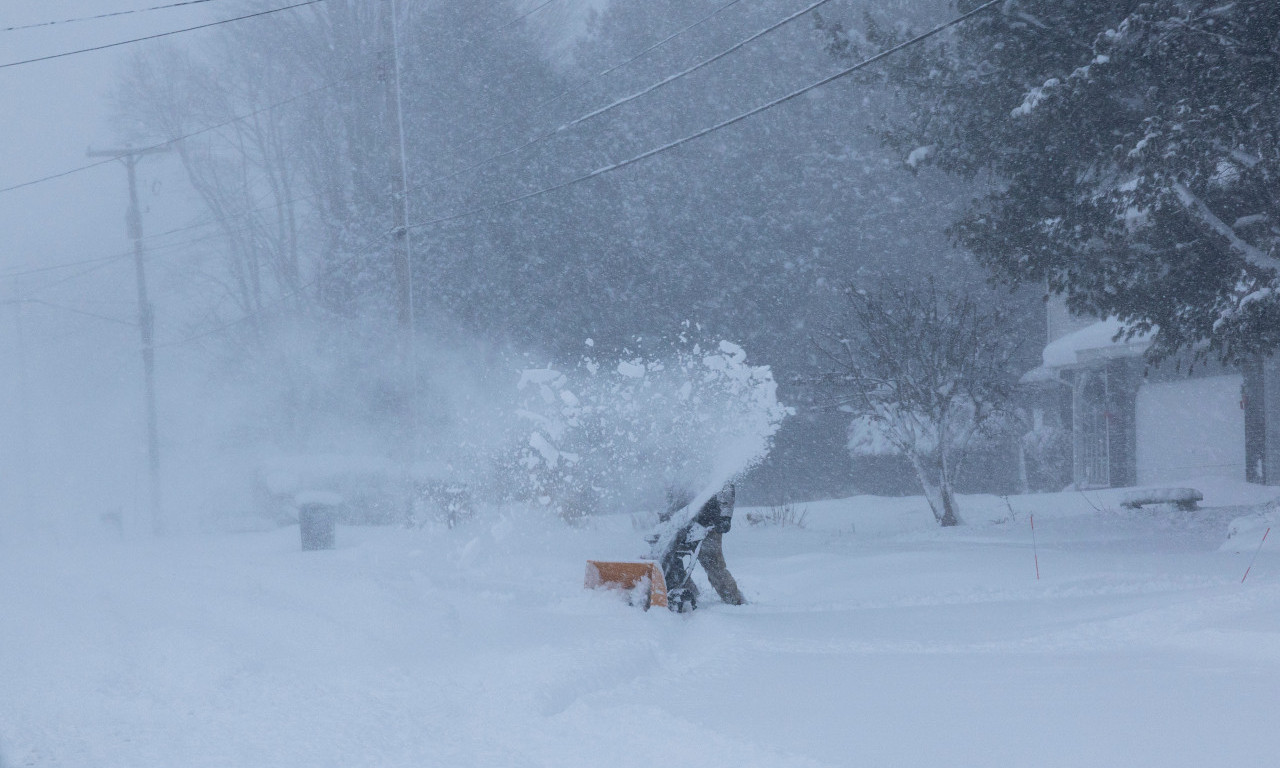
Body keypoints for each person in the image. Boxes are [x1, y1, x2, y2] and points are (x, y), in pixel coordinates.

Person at [655, 483, 745, 612]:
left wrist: (725, 517)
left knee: (713, 565)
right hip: (680, 525)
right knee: (670, 561)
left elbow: (726, 489)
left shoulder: (715, 469)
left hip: (708, 524)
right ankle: (689, 594)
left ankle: (735, 602)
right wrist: (666, 517)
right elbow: (671, 494)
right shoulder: (677, 471)